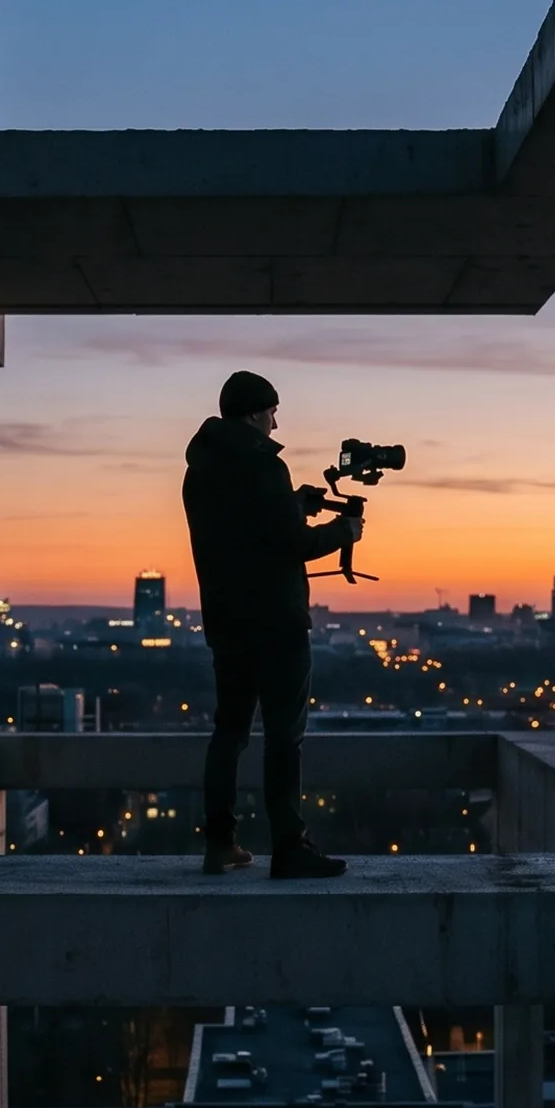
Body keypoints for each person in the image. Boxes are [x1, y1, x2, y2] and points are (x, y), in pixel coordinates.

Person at [183, 371, 361, 879]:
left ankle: (220, 844)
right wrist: (342, 531)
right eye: (272, 412)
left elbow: (248, 529)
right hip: (276, 623)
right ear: (255, 412)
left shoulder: (201, 470)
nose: (275, 423)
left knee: (229, 733)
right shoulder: (264, 465)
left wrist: (292, 507)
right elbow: (289, 543)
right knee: (284, 738)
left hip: (227, 621)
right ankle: (290, 847)